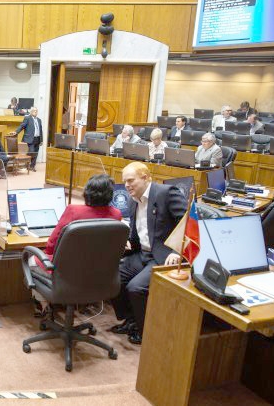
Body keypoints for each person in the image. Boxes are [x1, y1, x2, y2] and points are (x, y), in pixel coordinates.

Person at [110, 162, 186, 345]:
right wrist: (128, 241)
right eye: (125, 182)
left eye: (131, 180)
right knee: (112, 277)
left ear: (145, 177)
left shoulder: (166, 193)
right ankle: (131, 320)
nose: (127, 185)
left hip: (162, 256)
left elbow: (188, 221)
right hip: (141, 253)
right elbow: (139, 228)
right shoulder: (132, 198)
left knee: (136, 288)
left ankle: (146, 331)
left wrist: (178, 251)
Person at [30, 174, 122, 316]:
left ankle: (43, 305)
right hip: (97, 273)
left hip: (65, 271)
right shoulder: (116, 214)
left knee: (31, 258)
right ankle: (80, 303)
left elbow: (51, 245)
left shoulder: (73, 210)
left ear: (86, 192)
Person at [13, 106, 43, 171]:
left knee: (35, 153)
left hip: (37, 139)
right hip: (30, 138)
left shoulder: (39, 120)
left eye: (36, 111)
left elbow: (41, 130)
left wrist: (41, 140)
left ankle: (32, 166)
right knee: (31, 151)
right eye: (34, 111)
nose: (35, 112)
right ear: (31, 112)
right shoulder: (27, 118)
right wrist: (16, 132)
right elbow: (22, 126)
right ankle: (27, 163)